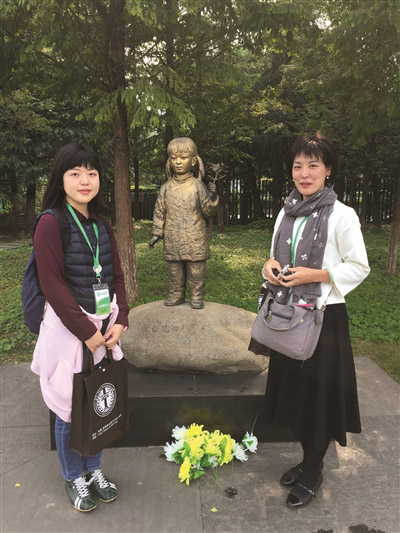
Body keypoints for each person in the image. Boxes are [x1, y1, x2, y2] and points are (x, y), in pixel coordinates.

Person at [256, 132, 370, 508]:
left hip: (324, 321)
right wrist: (269, 267)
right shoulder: (286, 210)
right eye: (297, 166)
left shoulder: (342, 215)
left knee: (318, 398)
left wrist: (315, 275)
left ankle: (314, 469)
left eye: (313, 165)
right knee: (296, 395)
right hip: (290, 318)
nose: (304, 174)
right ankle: (307, 460)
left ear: (328, 170)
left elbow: (358, 267)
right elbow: (275, 256)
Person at [31, 143, 129, 512]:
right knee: (68, 407)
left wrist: (121, 319)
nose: (85, 181)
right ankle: (74, 476)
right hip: (69, 332)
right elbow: (52, 285)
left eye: (91, 172)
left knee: (97, 400)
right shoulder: (50, 222)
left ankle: (94, 470)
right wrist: (86, 333)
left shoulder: (102, 223)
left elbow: (116, 274)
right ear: (61, 178)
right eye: (75, 173)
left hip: (102, 329)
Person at [148, 137, 218, 309]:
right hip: (173, 236)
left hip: (195, 237)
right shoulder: (166, 188)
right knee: (174, 270)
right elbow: (159, 211)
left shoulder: (197, 186)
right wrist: (157, 233)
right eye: (173, 158)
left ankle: (196, 296)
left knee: (196, 270)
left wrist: (213, 197)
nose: (178, 162)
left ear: (193, 161)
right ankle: (177, 294)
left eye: (183, 157)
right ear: (169, 161)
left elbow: (208, 211)